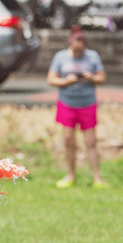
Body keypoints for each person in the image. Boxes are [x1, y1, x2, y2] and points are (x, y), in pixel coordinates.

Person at [46, 25, 107, 188]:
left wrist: (91, 77)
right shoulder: (60, 57)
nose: (79, 53)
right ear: (70, 44)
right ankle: (71, 175)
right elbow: (51, 79)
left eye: (81, 51)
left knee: (91, 141)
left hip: (87, 104)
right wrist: (67, 81)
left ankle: (97, 178)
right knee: (68, 140)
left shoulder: (93, 57)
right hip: (67, 103)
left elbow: (102, 78)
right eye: (76, 51)